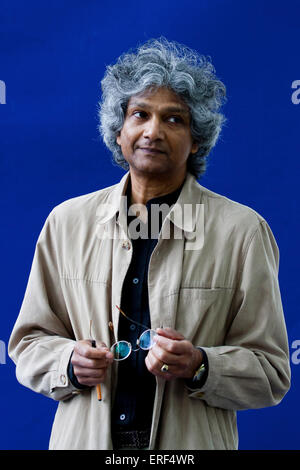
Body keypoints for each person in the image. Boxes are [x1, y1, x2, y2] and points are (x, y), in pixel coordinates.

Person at [8, 37, 290, 450]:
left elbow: (272, 374)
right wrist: (67, 363)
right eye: (140, 114)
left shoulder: (242, 232)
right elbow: (28, 344)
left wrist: (200, 364)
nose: (153, 131)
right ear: (119, 131)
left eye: (174, 119)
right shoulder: (66, 223)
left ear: (196, 140)